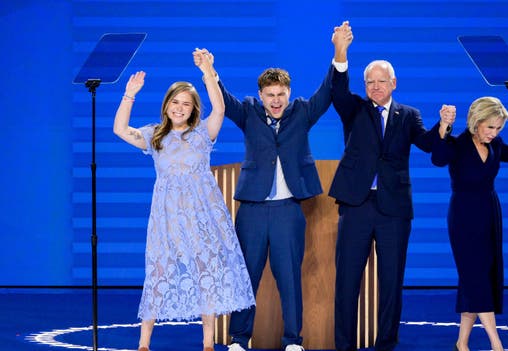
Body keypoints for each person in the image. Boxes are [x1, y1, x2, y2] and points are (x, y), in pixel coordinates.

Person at [113, 49, 255, 351]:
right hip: (167, 216)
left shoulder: (204, 133)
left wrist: (208, 72)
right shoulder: (155, 135)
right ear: (166, 106)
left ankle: (206, 343)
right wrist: (129, 95)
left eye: (186, 104)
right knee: (158, 272)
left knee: (205, 271)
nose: (180, 108)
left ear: (193, 109)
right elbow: (120, 130)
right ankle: (144, 344)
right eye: (175, 102)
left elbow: (219, 109)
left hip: (203, 214)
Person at [329, 22, 456, 351]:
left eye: (381, 81)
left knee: (391, 282)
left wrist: (443, 127)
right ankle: (345, 345)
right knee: (346, 280)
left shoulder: (408, 115)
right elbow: (338, 92)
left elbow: (431, 147)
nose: (374, 86)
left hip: (394, 210)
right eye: (369, 82)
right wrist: (340, 51)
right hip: (357, 205)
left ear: (394, 83)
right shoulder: (354, 109)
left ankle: (386, 344)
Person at [206, 29, 333, 351]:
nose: (276, 100)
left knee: (289, 277)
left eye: (281, 94)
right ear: (261, 95)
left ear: (288, 93)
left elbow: (327, 91)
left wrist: (339, 54)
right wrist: (210, 72)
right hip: (251, 209)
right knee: (245, 276)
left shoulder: (303, 112)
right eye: (270, 94)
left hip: (288, 210)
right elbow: (224, 101)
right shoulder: (247, 111)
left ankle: (293, 341)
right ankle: (239, 339)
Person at [430, 96, 508, 351]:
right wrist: (444, 127)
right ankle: (496, 344)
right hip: (464, 217)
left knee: (479, 279)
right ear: (476, 122)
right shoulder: (457, 144)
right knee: (474, 277)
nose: (494, 133)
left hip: (490, 214)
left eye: (498, 128)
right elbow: (438, 158)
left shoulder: (496, 145)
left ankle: (462, 343)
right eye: (490, 127)